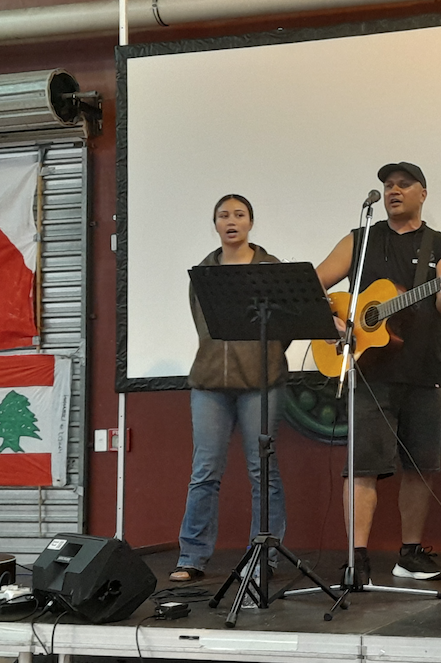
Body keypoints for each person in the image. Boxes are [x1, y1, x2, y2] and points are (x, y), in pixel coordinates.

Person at [315, 162, 441, 586]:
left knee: (420, 468)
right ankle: (355, 559)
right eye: (387, 185)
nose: (393, 191)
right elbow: (314, 283)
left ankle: (410, 555)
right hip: (368, 373)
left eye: (403, 184)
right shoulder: (360, 240)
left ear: (423, 193)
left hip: (424, 371)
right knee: (362, 467)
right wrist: (334, 322)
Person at [170, 193, 288, 583]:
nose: (232, 220)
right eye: (224, 215)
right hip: (209, 382)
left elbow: (285, 326)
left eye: (239, 214)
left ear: (251, 222)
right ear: (216, 224)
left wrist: (263, 356)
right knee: (204, 471)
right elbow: (203, 325)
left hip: (261, 382)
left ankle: (264, 557)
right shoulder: (203, 271)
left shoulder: (271, 267)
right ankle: (192, 556)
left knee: (263, 471)